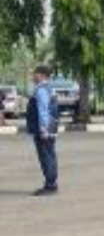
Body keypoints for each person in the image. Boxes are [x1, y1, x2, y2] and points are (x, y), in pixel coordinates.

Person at [27, 65, 59, 196]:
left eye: (35, 74)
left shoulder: (41, 90)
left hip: (44, 129)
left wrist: (43, 129)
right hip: (51, 127)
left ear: (41, 75)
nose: (33, 76)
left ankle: (50, 185)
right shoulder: (49, 88)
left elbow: (43, 110)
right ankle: (51, 183)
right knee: (49, 155)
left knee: (46, 156)